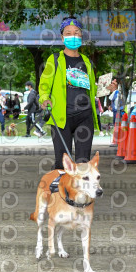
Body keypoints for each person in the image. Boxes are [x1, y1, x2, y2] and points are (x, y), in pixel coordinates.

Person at [38, 17, 98, 170]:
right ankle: (60, 191)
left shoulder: (87, 61)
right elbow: (44, 84)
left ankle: (80, 193)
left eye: (76, 32)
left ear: (81, 36)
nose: (73, 35)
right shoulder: (55, 59)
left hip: (84, 116)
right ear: (62, 37)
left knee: (83, 162)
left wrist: (107, 89)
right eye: (68, 33)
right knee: (62, 161)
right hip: (61, 118)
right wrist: (44, 98)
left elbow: (92, 89)